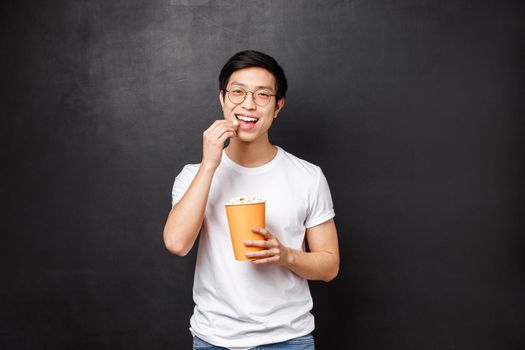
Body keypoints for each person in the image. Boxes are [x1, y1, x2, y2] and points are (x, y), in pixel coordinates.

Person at [163, 50, 340, 350]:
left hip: (289, 340)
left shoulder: (308, 176)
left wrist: (285, 255)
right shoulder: (193, 175)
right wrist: (209, 165)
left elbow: (329, 265)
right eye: (238, 92)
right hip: (214, 340)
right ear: (222, 98)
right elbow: (177, 244)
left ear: (278, 106)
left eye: (262, 95)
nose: (248, 104)